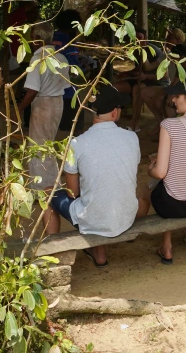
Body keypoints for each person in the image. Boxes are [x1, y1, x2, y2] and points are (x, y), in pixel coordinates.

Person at [48, 84, 140, 266]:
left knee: (47, 193)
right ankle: (98, 253)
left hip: (94, 219)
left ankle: (54, 255)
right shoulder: (132, 138)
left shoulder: (77, 143)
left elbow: (72, 193)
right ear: (115, 113)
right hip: (126, 217)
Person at [135, 76, 186, 264]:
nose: (173, 100)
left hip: (172, 204)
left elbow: (160, 173)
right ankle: (166, 246)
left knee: (147, 190)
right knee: (169, 186)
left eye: (177, 96)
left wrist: (150, 169)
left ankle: (131, 233)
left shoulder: (169, 125)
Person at [16, 23, 71, 230]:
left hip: (43, 103)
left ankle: (42, 188)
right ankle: (50, 183)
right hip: (58, 103)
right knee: (49, 142)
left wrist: (19, 108)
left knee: (38, 145)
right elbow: (65, 85)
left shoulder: (39, 58)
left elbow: (31, 90)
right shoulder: (61, 57)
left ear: (36, 38)